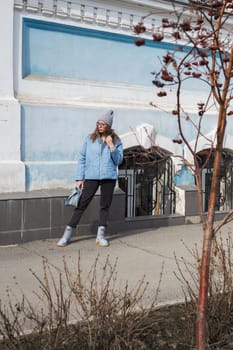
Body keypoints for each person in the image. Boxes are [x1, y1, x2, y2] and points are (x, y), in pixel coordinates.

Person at [57, 110, 123, 247]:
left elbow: (118, 160)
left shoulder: (116, 141)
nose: (100, 126)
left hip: (108, 177)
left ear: (108, 126)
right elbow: (82, 158)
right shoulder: (90, 139)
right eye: (99, 123)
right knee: (82, 204)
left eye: (103, 124)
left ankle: (101, 235)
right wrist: (79, 178)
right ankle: (67, 234)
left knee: (105, 206)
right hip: (91, 176)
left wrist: (111, 146)